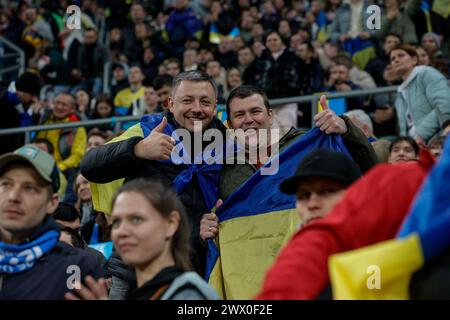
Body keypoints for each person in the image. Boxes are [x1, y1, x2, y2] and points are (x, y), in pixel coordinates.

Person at [81, 70, 227, 277]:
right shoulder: (147, 132)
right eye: (187, 100)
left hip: (195, 271)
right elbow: (89, 167)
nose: (196, 109)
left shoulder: (229, 145)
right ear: (170, 103)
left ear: (215, 107)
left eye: (205, 102)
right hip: (134, 271)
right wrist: (137, 150)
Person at [200, 85, 378, 240]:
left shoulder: (306, 146)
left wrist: (346, 130)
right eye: (239, 115)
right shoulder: (219, 165)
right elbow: (208, 214)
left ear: (270, 116)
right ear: (230, 125)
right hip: (252, 267)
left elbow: (370, 172)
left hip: (309, 255)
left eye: (255, 111)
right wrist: (207, 226)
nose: (248, 120)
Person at [256, 146, 435, 299]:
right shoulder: (290, 256)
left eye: (327, 191)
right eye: (304, 195)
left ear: (357, 195)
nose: (312, 204)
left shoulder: (393, 241)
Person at [65, 178, 219, 300]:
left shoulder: (188, 295)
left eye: (136, 219)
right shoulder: (138, 292)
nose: (122, 232)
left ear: (170, 224)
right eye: (117, 221)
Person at [0, 145, 102, 299]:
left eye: (29, 188)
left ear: (52, 203)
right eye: (6, 185)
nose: (13, 196)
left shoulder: (77, 266)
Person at [390, 44, 450, 144]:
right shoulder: (399, 94)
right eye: (393, 59)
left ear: (414, 60)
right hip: (414, 144)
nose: (396, 60)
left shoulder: (426, 73)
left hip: (437, 137)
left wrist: (420, 134)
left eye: (401, 55)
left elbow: (443, 103)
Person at [37, 92, 87, 204]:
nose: (59, 107)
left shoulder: (77, 128)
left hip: (63, 169)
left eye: (64, 104)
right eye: (57, 103)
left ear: (72, 108)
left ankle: (66, 207)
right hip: (41, 164)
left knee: (74, 173)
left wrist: (59, 167)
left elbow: (77, 155)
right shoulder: (44, 121)